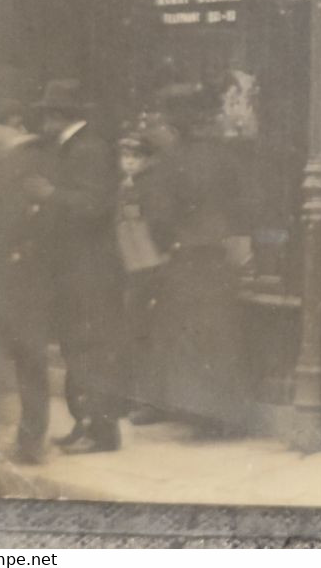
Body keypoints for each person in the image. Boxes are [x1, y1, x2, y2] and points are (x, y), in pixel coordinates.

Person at [140, 86, 252, 436]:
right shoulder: (228, 157)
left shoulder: (171, 161)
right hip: (219, 253)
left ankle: (198, 416)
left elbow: (158, 215)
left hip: (185, 253)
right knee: (220, 335)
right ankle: (223, 416)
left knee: (188, 336)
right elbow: (245, 203)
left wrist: (166, 245)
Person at [24, 79, 126, 454]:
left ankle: (100, 431)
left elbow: (94, 205)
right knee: (78, 347)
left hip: (90, 269)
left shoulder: (88, 149)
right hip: (76, 268)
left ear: (57, 116)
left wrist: (49, 195)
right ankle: (86, 423)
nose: (44, 124)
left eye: (47, 115)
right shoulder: (75, 148)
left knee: (89, 348)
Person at [0, 104, 55, 464]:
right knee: (9, 361)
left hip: (17, 279)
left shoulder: (12, 174)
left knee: (27, 359)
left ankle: (30, 440)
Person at [112, 119, 170, 427]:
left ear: (147, 160)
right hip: (130, 265)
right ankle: (132, 397)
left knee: (145, 334)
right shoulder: (124, 187)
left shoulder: (151, 186)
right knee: (132, 333)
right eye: (125, 157)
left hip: (149, 265)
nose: (129, 162)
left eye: (135, 157)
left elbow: (159, 224)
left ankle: (150, 402)